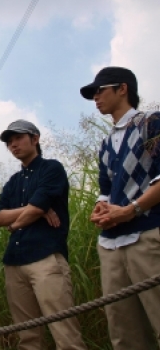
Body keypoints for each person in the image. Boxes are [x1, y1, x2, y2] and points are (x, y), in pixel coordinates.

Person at [80, 66, 160, 349]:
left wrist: (131, 210)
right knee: (124, 335)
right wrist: (100, 209)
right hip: (111, 245)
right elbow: (105, 190)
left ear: (122, 88)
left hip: (147, 235)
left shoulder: (151, 123)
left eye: (100, 90)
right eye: (93, 94)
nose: (96, 98)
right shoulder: (105, 144)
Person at [0, 119, 87, 350]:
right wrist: (34, 210)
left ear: (35, 139)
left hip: (46, 258)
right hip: (14, 262)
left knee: (64, 332)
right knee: (27, 337)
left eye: (18, 138)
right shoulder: (13, 182)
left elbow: (35, 208)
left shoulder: (52, 168)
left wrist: (16, 224)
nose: (13, 145)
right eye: (9, 142)